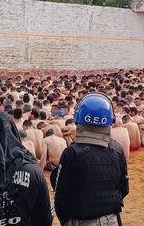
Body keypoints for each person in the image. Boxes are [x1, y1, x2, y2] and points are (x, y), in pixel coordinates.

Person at [54, 93, 128, 226]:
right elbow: (124, 188)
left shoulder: (72, 152)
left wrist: (67, 221)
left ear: (78, 120)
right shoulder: (117, 149)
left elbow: (61, 197)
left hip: (81, 220)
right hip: (111, 219)